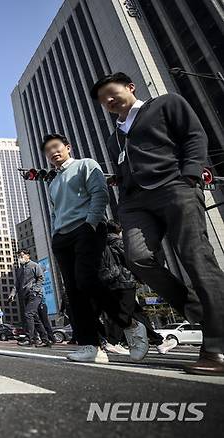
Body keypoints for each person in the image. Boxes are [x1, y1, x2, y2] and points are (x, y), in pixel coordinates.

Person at [92, 72, 224, 375]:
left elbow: (194, 134)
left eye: (111, 93)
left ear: (130, 87)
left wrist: (190, 174)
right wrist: (124, 200)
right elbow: (124, 167)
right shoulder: (116, 136)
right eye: (102, 101)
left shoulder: (165, 104)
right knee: (137, 258)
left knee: (196, 259)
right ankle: (201, 311)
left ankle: (217, 347)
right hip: (136, 203)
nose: (108, 102)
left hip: (175, 188)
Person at [43, 133, 112, 363]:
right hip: (63, 238)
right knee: (73, 292)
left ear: (68, 147)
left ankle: (129, 323)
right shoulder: (52, 183)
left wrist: (92, 223)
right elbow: (55, 214)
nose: (53, 152)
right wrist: (55, 235)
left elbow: (100, 194)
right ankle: (89, 345)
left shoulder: (86, 165)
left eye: (56, 147)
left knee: (87, 281)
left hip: (86, 228)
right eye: (48, 150)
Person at [97, 219, 178, 358]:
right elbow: (132, 261)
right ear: (118, 230)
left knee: (138, 314)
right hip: (125, 282)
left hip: (111, 283)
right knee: (124, 312)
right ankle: (112, 341)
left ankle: (159, 342)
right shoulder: (118, 242)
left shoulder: (103, 243)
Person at [8, 250, 51, 348]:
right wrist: (12, 294)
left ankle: (29, 339)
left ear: (28, 255)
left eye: (22, 256)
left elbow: (41, 278)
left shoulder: (34, 265)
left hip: (35, 295)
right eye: (18, 256)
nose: (20, 258)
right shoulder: (19, 270)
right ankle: (45, 340)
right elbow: (17, 284)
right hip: (25, 295)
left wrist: (35, 290)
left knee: (28, 314)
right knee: (34, 317)